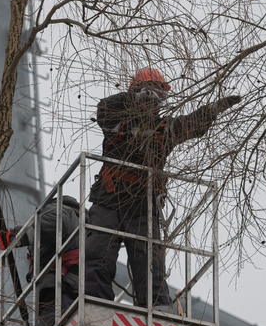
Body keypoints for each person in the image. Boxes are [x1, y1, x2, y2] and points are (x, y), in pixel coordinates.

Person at [84, 67, 241, 309]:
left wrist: (212, 110)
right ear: (135, 92)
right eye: (148, 92)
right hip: (110, 198)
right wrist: (132, 98)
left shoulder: (164, 129)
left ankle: (156, 309)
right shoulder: (117, 121)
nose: (153, 100)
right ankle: (95, 305)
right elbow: (104, 108)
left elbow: (191, 125)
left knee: (149, 263)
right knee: (98, 255)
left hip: (143, 205)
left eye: (158, 95)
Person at [8, 196, 84, 326]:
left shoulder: (57, 208)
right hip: (74, 289)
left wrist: (17, 237)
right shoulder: (86, 226)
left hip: (60, 288)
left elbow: (55, 223)